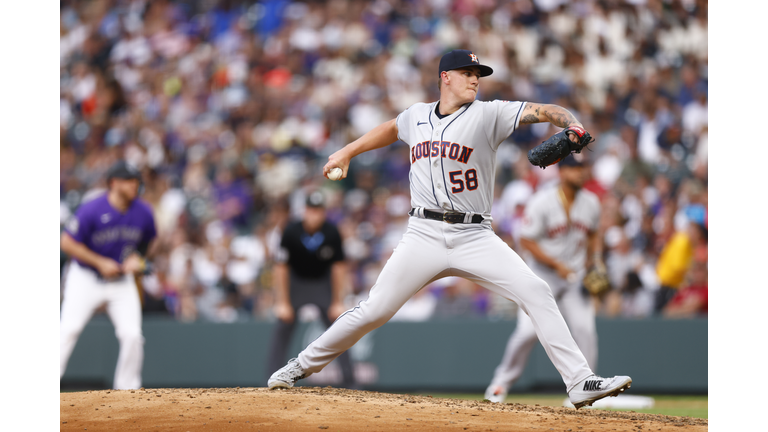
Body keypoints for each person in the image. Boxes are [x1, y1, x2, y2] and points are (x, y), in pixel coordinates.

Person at [267, 49, 631, 409]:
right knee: (374, 310)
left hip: (475, 236)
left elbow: (544, 111)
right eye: (466, 72)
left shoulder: (489, 114)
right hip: (422, 233)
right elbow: (391, 129)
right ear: (445, 77)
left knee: (536, 291)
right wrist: (348, 151)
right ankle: (299, 365)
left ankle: (580, 381)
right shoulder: (416, 116)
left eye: (478, 74)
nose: (475, 78)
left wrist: (572, 123)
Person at [484, 155, 603, 403]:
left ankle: (586, 387)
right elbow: (526, 240)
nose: (581, 173)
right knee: (526, 333)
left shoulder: (591, 202)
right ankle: (500, 384)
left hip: (574, 278)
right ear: (562, 172)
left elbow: (593, 234)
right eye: (575, 168)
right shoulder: (542, 201)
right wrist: (555, 263)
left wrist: (594, 261)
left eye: (583, 168)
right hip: (542, 276)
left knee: (585, 329)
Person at [60, 161, 157, 390]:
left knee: (132, 335)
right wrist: (99, 261)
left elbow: (150, 240)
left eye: (136, 181)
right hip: (86, 277)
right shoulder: (93, 209)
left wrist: (138, 258)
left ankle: (128, 391)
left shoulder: (143, 211)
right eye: (130, 180)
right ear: (114, 183)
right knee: (68, 329)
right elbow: (66, 242)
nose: (136, 185)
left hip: (121, 281)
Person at [265, 191, 356, 388]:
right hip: (297, 281)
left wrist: (337, 300)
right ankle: (271, 379)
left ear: (324, 212)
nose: (314, 214)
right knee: (282, 327)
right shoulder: (291, 231)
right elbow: (281, 268)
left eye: (318, 210)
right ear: (304, 211)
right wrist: (282, 302)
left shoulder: (332, 232)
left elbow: (338, 268)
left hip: (321, 282)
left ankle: (350, 382)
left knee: (339, 327)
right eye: (311, 210)